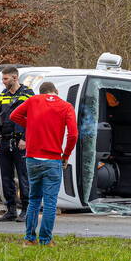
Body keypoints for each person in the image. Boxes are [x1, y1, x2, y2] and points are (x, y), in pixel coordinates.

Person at [9, 81, 78, 247]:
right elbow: (73, 134)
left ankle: (29, 239)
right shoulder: (65, 106)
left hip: (32, 158)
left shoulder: (33, 101)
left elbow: (13, 116)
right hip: (53, 159)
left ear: (41, 92)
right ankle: (46, 240)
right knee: (50, 202)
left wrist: (31, 125)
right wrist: (66, 154)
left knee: (33, 199)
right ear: (56, 91)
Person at [0, 67, 34, 222]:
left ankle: (26, 209)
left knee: (24, 177)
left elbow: (32, 118)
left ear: (15, 77)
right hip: (4, 141)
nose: (3, 82)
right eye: (3, 79)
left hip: (20, 142)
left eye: (6, 79)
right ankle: (11, 210)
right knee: (6, 177)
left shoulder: (27, 94)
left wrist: (25, 138)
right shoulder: (3, 94)